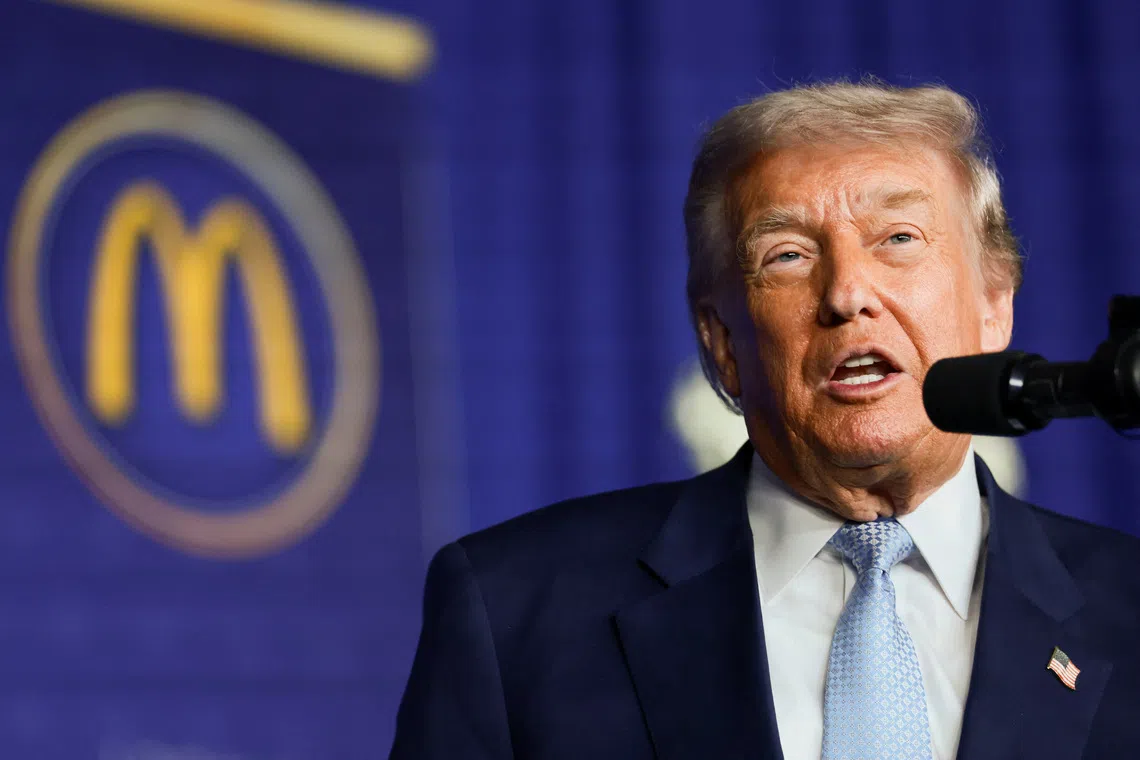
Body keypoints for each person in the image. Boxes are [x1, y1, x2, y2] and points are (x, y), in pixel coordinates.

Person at [389, 81, 1140, 760]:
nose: (847, 292)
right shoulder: (515, 608)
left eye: (898, 239)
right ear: (722, 343)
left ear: (994, 303)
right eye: (786, 256)